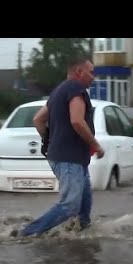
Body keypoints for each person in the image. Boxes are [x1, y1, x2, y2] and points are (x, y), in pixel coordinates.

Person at [18, 56, 105, 237]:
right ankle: (26, 233)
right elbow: (77, 121)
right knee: (70, 205)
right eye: (91, 73)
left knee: (84, 202)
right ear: (79, 72)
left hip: (68, 158)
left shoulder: (59, 91)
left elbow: (38, 120)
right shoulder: (76, 88)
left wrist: (51, 142)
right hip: (69, 159)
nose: (93, 77)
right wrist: (96, 145)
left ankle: (81, 235)